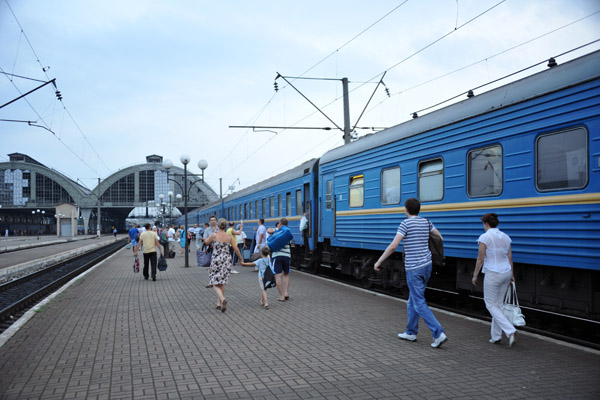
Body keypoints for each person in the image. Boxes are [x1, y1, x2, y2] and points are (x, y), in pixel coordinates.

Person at [374, 198, 447, 348]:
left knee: (419, 302)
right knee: (413, 300)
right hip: (427, 265)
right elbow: (440, 237)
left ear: (406, 210)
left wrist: (379, 261)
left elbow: (393, 246)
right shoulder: (426, 222)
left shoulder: (405, 224)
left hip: (414, 268)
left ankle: (438, 333)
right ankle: (411, 332)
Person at [472, 213, 517, 347]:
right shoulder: (506, 237)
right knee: (498, 305)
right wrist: (512, 274)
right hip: (506, 272)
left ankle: (510, 330)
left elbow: (480, 259)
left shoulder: (484, 237)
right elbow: (510, 258)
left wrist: (475, 275)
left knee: (490, 305)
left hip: (493, 273)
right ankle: (496, 337)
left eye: (483, 224)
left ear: (486, 224)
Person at [204, 218, 243, 312]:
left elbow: (206, 242)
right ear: (226, 226)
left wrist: (205, 238)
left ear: (218, 226)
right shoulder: (229, 236)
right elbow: (236, 249)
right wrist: (241, 259)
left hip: (216, 259)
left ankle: (223, 299)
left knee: (214, 281)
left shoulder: (214, 235)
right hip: (226, 260)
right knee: (222, 281)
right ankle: (219, 303)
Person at [272, 218, 292, 302]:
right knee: (286, 274)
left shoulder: (277, 231)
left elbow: (269, 231)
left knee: (278, 275)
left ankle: (282, 296)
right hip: (287, 255)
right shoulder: (288, 233)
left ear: (280, 224)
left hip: (277, 256)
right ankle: (286, 293)